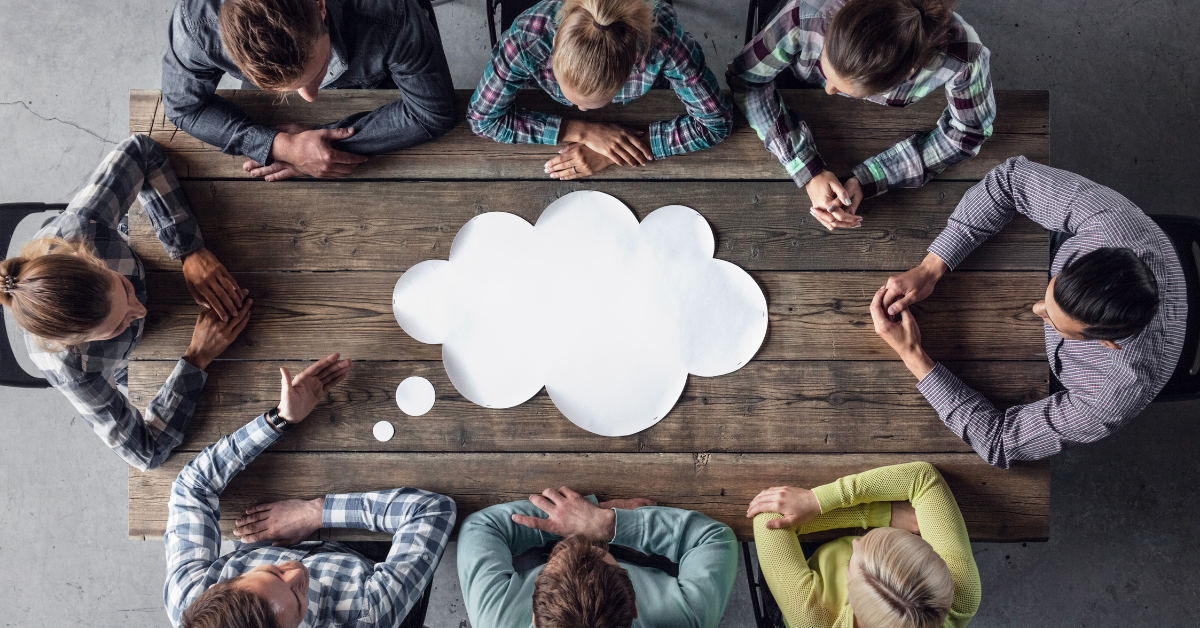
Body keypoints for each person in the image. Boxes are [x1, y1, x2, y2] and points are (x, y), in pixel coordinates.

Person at [870, 157, 1187, 468]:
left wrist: (912, 354)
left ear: (1106, 343)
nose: (1036, 309)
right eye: (1052, 292)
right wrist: (931, 266)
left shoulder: (1110, 395)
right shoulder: (1112, 225)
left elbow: (999, 442)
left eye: (1056, 322)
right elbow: (1009, 180)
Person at [0, 135, 251, 471]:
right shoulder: (72, 371)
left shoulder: (80, 228)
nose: (141, 311)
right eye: (117, 325)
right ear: (75, 343)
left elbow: (141, 151)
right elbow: (147, 454)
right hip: (129, 363)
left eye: (124, 289)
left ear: (90, 259)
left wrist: (188, 249)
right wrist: (196, 358)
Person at [165, 353, 457, 628]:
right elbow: (431, 510)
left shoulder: (191, 598)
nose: (297, 571)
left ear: (217, 587)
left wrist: (278, 420)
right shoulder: (367, 613)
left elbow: (193, 486)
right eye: (298, 600)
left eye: (272, 570)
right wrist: (315, 512)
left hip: (282, 530)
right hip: (373, 562)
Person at [728, 0, 995, 230]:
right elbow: (747, 79)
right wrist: (807, 169)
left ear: (907, 75)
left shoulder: (963, 57)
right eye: (823, 67)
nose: (829, 91)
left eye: (852, 91)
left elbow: (967, 134)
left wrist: (873, 178)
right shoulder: (808, 11)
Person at [162, 0, 457, 181]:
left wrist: (321, 151)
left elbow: (432, 112)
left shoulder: (388, 11)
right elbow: (183, 106)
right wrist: (281, 147)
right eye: (290, 87)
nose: (310, 97)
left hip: (379, 66)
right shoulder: (197, 23)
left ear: (320, 5)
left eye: (318, 71)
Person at [468, 0, 733, 181]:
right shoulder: (527, 39)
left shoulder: (665, 43)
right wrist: (582, 130)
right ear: (553, 49)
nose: (580, 110)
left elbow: (716, 124)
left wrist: (617, 152)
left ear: (633, 67)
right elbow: (482, 120)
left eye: (592, 104)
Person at [458, 486, 738, 628]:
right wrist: (604, 523)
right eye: (603, 555)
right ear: (636, 609)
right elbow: (714, 539)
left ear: (534, 618)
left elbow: (480, 527)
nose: (587, 541)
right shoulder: (684, 619)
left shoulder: (495, 618)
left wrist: (591, 511)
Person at [747, 461, 980, 628]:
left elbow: (769, 517)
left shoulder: (815, 619)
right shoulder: (962, 596)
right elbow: (923, 477)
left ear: (852, 599)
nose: (856, 542)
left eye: (851, 562)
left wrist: (880, 515)